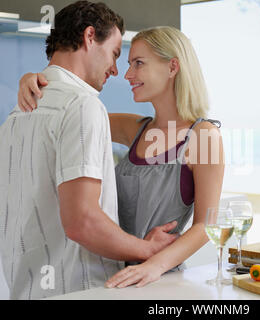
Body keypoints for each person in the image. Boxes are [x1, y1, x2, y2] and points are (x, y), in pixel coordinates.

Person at [18, 26, 225, 289]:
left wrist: (155, 265)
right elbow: (68, 116)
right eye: (128, 64)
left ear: (173, 67)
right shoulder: (134, 128)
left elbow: (207, 224)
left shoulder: (204, 136)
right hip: (106, 275)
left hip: (158, 280)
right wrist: (33, 80)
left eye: (138, 64)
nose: (127, 74)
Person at [0, 1, 177, 300]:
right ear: (90, 36)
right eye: (115, 54)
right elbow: (82, 221)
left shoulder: (18, 113)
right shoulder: (82, 105)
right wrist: (149, 249)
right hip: (80, 291)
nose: (116, 70)